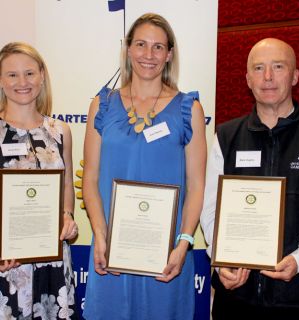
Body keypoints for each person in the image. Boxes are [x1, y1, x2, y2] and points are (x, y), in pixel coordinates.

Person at [82, 13, 206, 320]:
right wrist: (100, 235)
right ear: (127, 49)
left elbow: (197, 185)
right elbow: (91, 179)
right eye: (140, 44)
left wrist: (185, 242)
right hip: (110, 252)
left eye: (157, 47)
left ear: (169, 54)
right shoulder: (102, 105)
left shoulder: (189, 109)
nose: (148, 55)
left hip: (166, 256)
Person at [200, 37, 299, 319]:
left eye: (278, 66)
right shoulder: (226, 136)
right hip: (237, 299)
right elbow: (211, 210)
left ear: (295, 76)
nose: (267, 77)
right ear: (247, 79)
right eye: (258, 68)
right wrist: (221, 263)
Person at [0, 42, 79, 319]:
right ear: (0, 79)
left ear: (42, 75)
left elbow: (66, 187)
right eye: (12, 74)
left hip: (54, 262)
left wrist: (67, 217)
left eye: (30, 73)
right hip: (8, 267)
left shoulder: (60, 131)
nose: (22, 82)